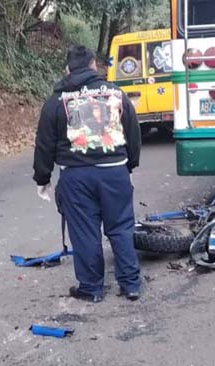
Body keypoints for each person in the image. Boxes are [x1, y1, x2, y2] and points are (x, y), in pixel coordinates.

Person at [33, 46, 143, 303]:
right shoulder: (116, 94)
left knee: (84, 232)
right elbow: (133, 132)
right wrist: (130, 164)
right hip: (114, 171)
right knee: (121, 227)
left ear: (67, 69)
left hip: (76, 175)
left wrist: (43, 178)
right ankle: (130, 284)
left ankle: (92, 288)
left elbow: (44, 143)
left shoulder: (56, 101)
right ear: (94, 65)